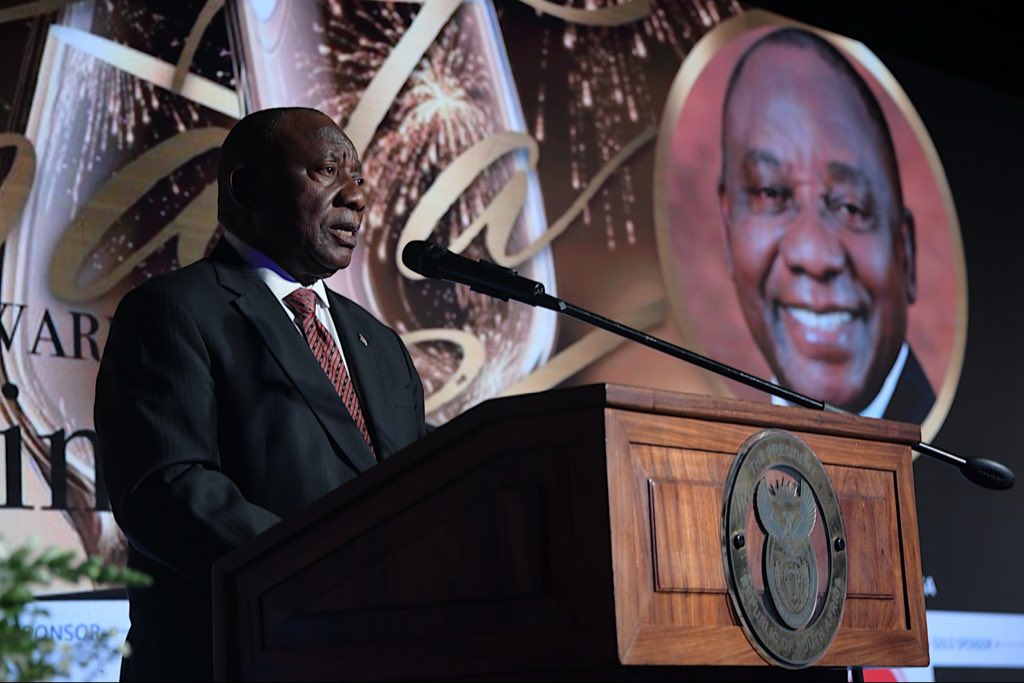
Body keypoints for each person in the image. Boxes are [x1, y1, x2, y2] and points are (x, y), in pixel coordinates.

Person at [95, 107, 427, 681]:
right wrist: (330, 576)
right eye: (328, 171)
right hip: (230, 658)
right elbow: (167, 489)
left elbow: (416, 493)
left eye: (361, 179)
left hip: (377, 656)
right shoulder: (172, 311)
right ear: (246, 186)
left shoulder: (381, 343)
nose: (356, 196)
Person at [716, 28, 934, 422]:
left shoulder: (957, 467)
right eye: (770, 194)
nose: (814, 255)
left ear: (907, 251)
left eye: (850, 207)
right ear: (727, 228)